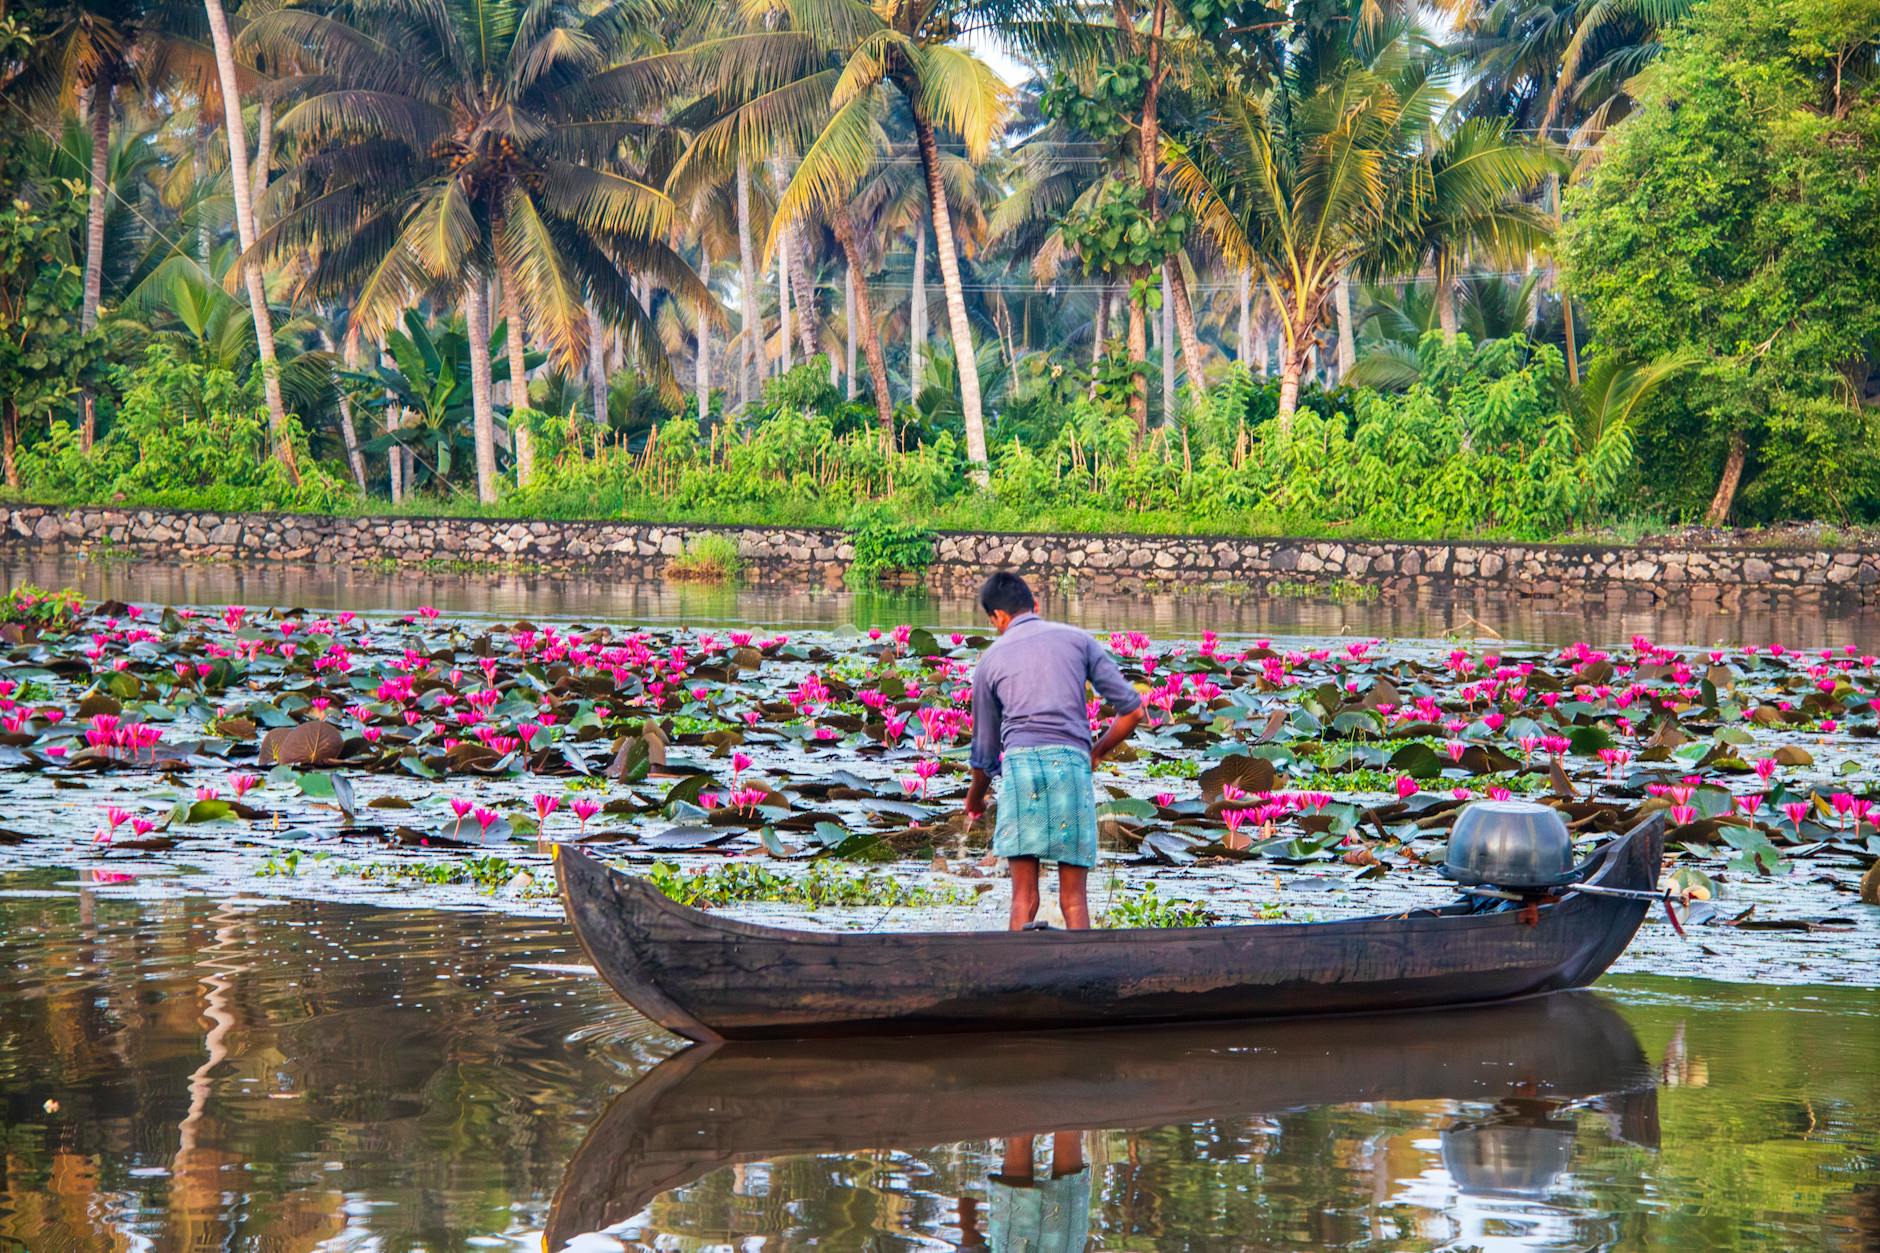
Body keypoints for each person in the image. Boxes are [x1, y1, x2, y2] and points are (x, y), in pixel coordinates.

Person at [963, 572, 1144, 930]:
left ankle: (1019, 962)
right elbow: (1133, 711)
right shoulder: (1079, 641)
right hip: (1070, 767)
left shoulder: (989, 660)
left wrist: (975, 800)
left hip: (1021, 772)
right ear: (1035, 605)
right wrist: (1097, 751)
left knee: (1023, 898)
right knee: (1073, 900)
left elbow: (984, 755)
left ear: (998, 616)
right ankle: (1083, 966)